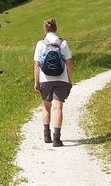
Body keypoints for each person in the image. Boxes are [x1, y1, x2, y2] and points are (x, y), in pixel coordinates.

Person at [33, 18, 72, 147]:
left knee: (46, 107)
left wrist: (36, 81)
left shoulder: (40, 44)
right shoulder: (63, 43)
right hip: (61, 79)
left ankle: (46, 136)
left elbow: (36, 65)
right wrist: (69, 79)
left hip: (45, 79)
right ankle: (57, 138)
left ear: (45, 29)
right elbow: (68, 63)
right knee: (58, 107)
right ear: (56, 28)